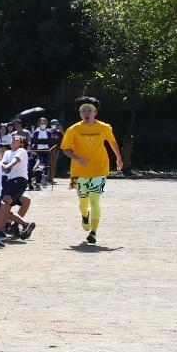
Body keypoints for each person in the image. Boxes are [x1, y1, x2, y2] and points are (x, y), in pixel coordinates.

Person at [56, 97, 119, 244]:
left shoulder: (105, 127)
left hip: (100, 169)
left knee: (95, 200)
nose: (86, 112)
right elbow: (65, 149)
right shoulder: (73, 129)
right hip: (78, 172)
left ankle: (94, 232)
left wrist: (118, 159)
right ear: (79, 113)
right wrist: (78, 158)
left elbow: (112, 142)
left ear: (95, 112)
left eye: (89, 110)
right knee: (83, 202)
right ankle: (85, 216)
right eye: (83, 110)